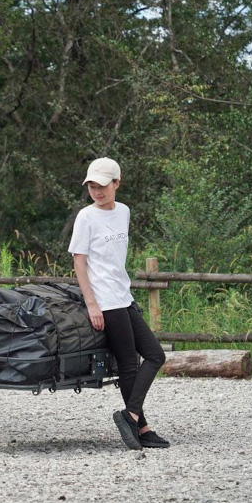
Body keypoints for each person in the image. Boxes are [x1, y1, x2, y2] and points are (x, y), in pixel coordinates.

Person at [68, 157, 168, 450]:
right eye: (92, 186)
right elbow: (79, 262)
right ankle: (139, 425)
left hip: (123, 295)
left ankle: (133, 418)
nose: (97, 192)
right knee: (128, 364)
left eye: (102, 186)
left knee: (154, 355)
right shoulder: (86, 217)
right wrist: (92, 304)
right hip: (105, 300)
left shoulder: (123, 212)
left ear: (117, 183)